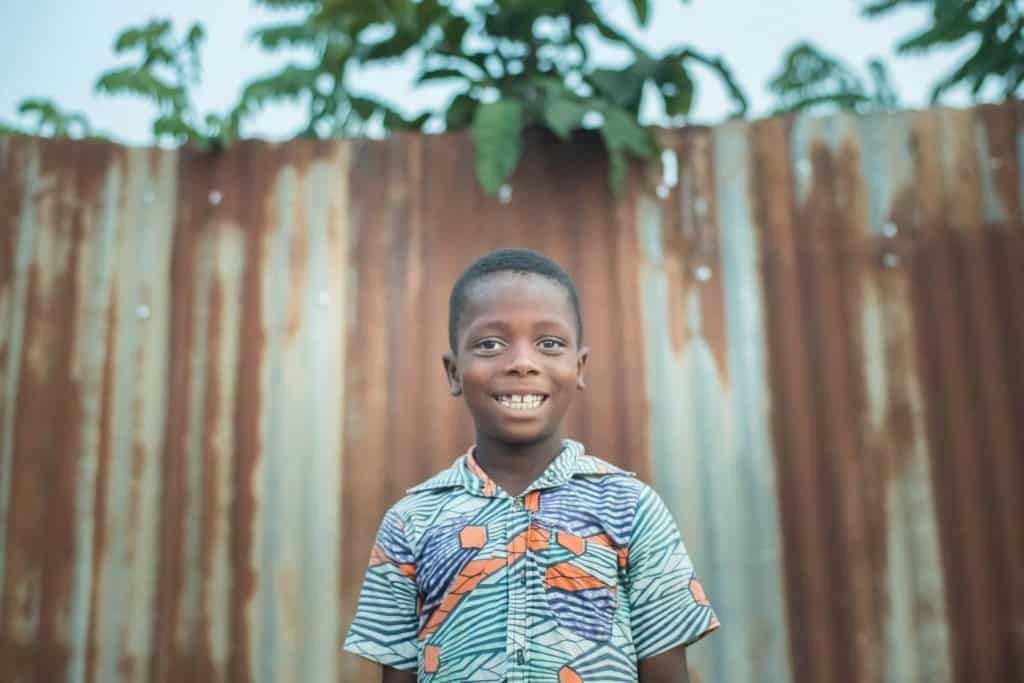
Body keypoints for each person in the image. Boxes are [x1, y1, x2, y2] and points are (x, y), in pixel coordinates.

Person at [344, 248, 719, 682]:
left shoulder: (632, 508)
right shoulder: (410, 522)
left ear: (579, 367)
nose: (522, 362)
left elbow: (666, 669)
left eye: (549, 344)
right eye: (490, 344)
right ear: (453, 372)